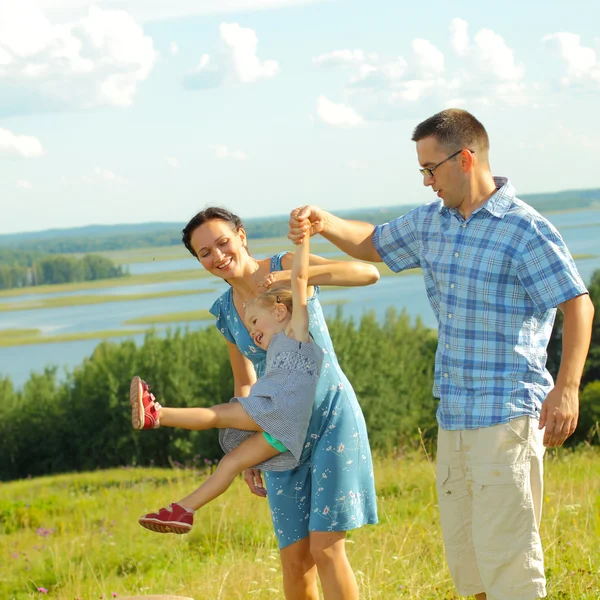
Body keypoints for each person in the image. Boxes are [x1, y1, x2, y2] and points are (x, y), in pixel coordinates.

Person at [288, 109, 595, 600]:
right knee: (468, 563)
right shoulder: (434, 223)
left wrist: (567, 388)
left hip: (506, 417)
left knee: (509, 566)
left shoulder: (524, 229)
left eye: (430, 169)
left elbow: (577, 304)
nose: (427, 181)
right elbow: (372, 243)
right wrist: (323, 222)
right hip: (454, 418)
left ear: (465, 158)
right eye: (422, 171)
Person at [136, 207, 379, 600]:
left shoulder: (284, 266)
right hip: (279, 425)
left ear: (242, 236)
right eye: (205, 253)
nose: (217, 256)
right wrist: (245, 451)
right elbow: (245, 381)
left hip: (329, 415)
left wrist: (289, 277)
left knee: (326, 548)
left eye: (222, 242)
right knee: (295, 559)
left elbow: (368, 273)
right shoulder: (226, 310)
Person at [130, 232, 324, 534]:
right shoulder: (273, 346)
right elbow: (246, 377)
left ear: (280, 311)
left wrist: (304, 238)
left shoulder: (295, 331)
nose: (254, 334)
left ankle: (158, 415)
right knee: (232, 462)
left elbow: (299, 278)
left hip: (281, 412)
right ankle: (183, 510)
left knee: (219, 414)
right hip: (284, 429)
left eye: (256, 324)